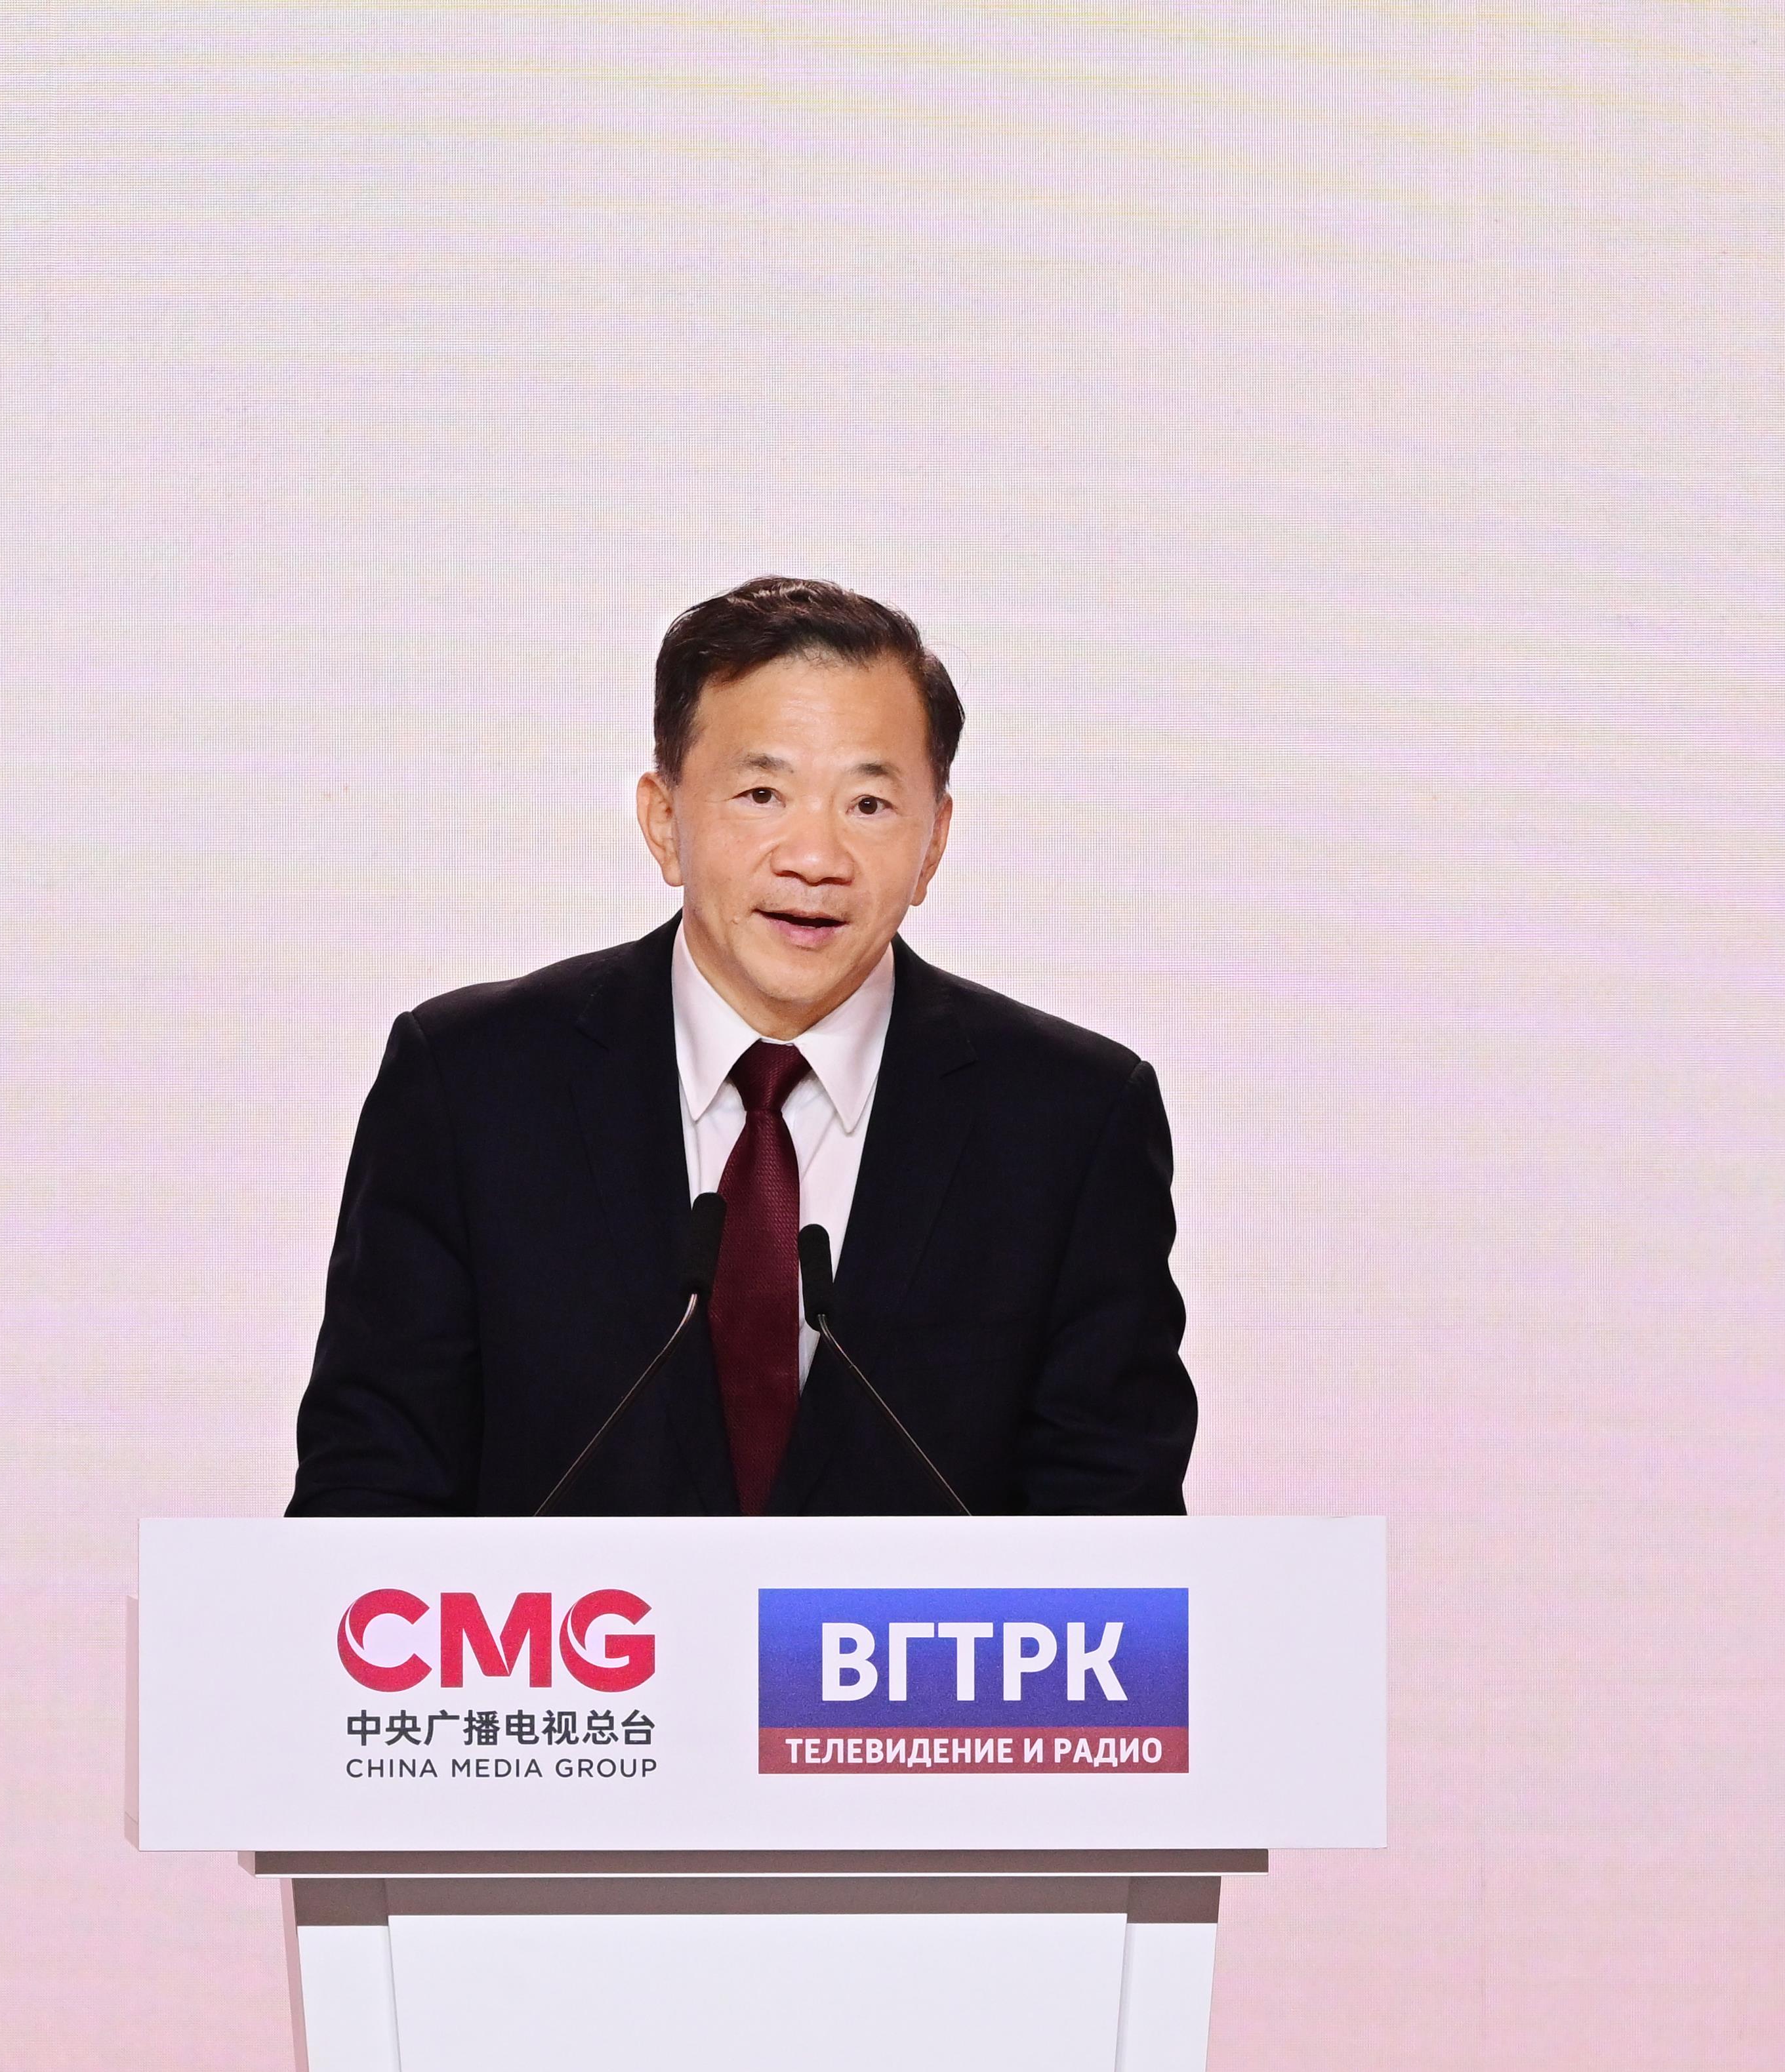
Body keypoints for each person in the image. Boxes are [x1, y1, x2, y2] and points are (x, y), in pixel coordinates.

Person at [290, 577, 1193, 1516]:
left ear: (934, 844)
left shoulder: (1071, 1123)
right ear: (664, 823)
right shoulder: (471, 1086)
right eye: (763, 793)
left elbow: (1117, 1539)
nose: (816, 858)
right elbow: (366, 1502)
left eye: (870, 805)